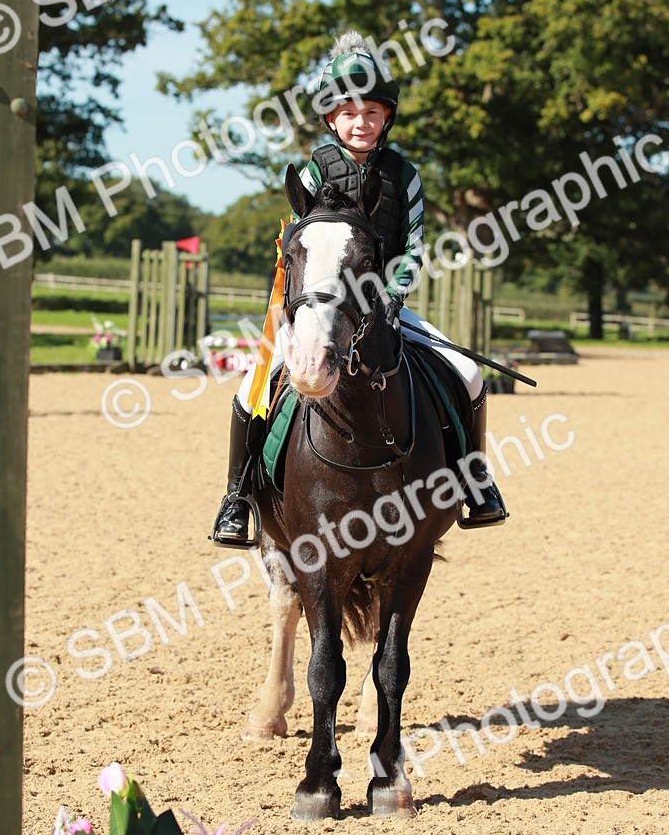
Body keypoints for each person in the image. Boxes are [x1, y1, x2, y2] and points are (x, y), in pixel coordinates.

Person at [210, 31, 507, 546]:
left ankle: (476, 482)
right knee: (250, 388)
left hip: (385, 308)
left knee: (469, 372)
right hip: (318, 309)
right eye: (348, 113)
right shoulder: (313, 170)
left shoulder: (405, 175)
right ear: (331, 119)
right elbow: (297, 244)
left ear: (385, 117)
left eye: (371, 112)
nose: (360, 122)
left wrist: (390, 299)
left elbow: (412, 247)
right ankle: (236, 497)